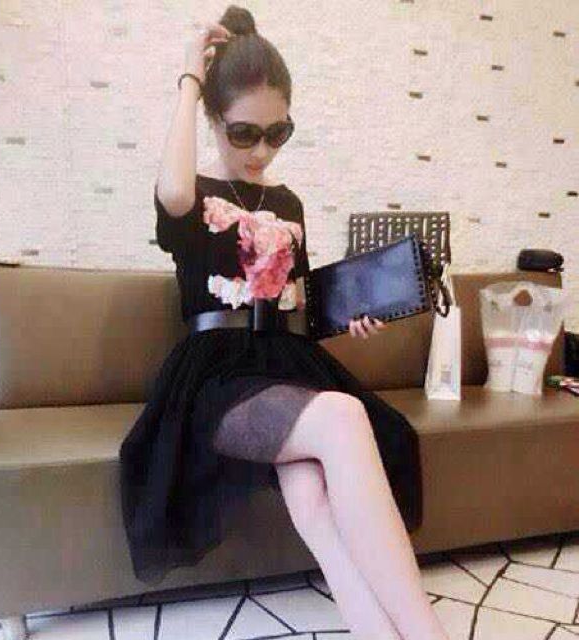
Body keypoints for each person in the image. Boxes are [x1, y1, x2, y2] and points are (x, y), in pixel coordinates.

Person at [119, 6, 450, 640]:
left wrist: (350, 316)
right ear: (213, 120)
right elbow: (173, 193)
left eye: (278, 133)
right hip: (215, 379)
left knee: (313, 500)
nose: (262, 151)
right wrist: (190, 77)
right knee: (343, 418)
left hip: (286, 362)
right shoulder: (192, 193)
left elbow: (296, 300)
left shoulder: (289, 201)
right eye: (244, 133)